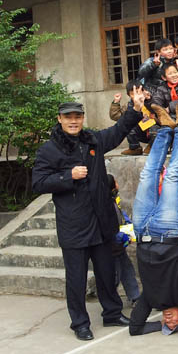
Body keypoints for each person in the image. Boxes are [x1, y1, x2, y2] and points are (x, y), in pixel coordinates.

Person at [32, 95, 145, 340]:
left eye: (78, 117)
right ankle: (80, 323)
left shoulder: (92, 139)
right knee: (76, 279)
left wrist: (135, 109)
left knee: (107, 272)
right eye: (68, 117)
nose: (73, 121)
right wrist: (68, 176)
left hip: (102, 221)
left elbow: (117, 131)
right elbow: (38, 183)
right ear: (60, 119)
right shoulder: (49, 149)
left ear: (83, 118)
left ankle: (112, 313)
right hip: (74, 225)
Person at [128, 103, 178, 340]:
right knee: (172, 176)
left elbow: (135, 328)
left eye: (167, 323)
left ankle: (164, 129)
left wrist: (159, 327)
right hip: (167, 231)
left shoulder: (151, 299)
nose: (169, 320)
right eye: (173, 323)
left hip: (142, 230)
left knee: (148, 174)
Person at [108, 174, 140, 306]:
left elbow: (120, 216)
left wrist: (127, 225)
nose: (118, 184)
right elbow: (108, 227)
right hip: (111, 247)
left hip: (119, 247)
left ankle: (135, 297)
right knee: (114, 276)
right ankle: (111, 303)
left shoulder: (114, 200)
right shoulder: (106, 204)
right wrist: (119, 235)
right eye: (115, 182)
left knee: (127, 271)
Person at [110, 80, 157, 156]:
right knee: (128, 125)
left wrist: (150, 100)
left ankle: (152, 146)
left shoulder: (151, 100)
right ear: (128, 95)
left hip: (154, 131)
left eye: (138, 92)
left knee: (155, 128)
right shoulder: (129, 105)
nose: (136, 96)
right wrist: (116, 102)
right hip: (140, 132)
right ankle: (135, 148)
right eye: (133, 94)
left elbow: (161, 110)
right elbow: (116, 116)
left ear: (143, 91)